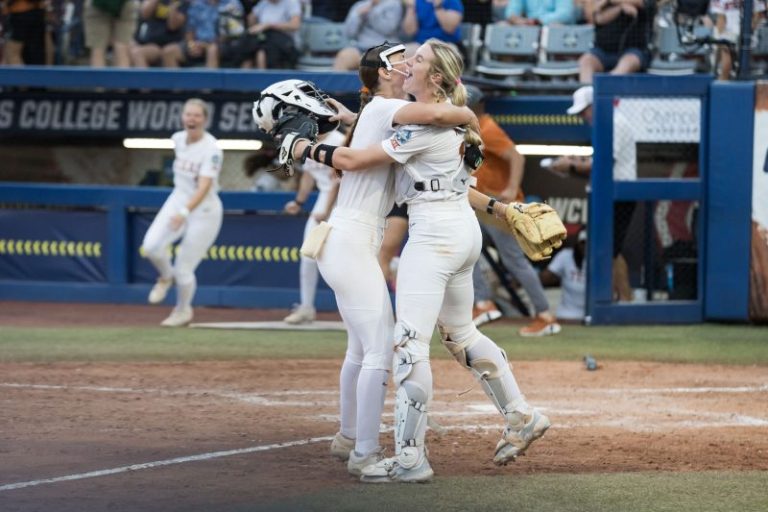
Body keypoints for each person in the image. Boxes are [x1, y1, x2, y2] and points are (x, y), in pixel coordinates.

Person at [280, 38, 550, 483]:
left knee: (407, 347)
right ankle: (521, 414)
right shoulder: (444, 121)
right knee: (461, 333)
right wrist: (501, 210)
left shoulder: (424, 124)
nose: (408, 64)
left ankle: (410, 458)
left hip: (434, 236)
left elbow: (355, 158)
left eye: (418, 60)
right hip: (462, 229)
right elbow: (454, 181)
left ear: (436, 77)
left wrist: (302, 147)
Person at [256, 45, 478, 478]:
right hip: (352, 239)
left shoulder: (377, 111)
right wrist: (469, 115)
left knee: (361, 348)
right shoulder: (387, 106)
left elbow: (374, 136)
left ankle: (347, 438)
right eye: (400, 59)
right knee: (380, 348)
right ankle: (364, 454)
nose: (408, 64)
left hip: (349, 238)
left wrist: (341, 124)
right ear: (383, 71)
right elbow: (436, 116)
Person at [464, 84, 561, 336]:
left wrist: (511, 187)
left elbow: (517, 157)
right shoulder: (473, 128)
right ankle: (484, 303)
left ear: (476, 106)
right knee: (466, 246)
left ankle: (544, 315)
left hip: (499, 204)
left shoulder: (486, 126)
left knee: (514, 261)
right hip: (484, 202)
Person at [142, 98, 223, 327]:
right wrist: (181, 209)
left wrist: (185, 212)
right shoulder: (178, 139)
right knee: (151, 247)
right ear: (182, 117)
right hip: (178, 199)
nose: (192, 119)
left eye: (197, 115)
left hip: (204, 210)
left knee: (184, 268)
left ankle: (182, 310)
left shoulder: (212, 149)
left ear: (205, 120)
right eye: (188, 114)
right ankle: (165, 276)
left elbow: (205, 185)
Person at [550, 85, 634, 301]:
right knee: (610, 251)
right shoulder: (607, 123)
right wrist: (571, 164)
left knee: (611, 252)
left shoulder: (614, 122)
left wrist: (570, 165)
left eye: (584, 110)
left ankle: (624, 302)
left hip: (617, 195)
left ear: (595, 105)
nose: (581, 116)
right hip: (609, 193)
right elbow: (599, 164)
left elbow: (604, 164)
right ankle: (622, 301)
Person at [282, 129, 343, 324]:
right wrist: (299, 202)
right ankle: (306, 307)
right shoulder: (307, 141)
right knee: (308, 254)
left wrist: (327, 209)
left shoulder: (339, 140)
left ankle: (355, 311)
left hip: (345, 202)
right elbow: (308, 175)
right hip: (323, 201)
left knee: (347, 256)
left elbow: (340, 179)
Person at [577, 0, 654, 83]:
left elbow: (643, 3)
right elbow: (597, 17)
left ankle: (608, 86)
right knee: (586, 61)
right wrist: (620, 7)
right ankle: (587, 90)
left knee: (628, 63)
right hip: (602, 50)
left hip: (634, 49)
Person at [333, 0, 403, 70]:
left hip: (385, 49)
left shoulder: (393, 3)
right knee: (344, 56)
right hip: (362, 49)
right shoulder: (359, 5)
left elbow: (388, 29)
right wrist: (359, 16)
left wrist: (372, 11)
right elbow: (349, 33)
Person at [540, 227, 587, 321]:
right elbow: (544, 278)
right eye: (583, 243)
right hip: (566, 315)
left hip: (590, 317)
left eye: (589, 243)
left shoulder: (600, 259)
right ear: (577, 244)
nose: (585, 246)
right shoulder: (566, 255)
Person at [242, 0, 301, 69]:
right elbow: (251, 22)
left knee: (262, 50)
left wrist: (268, 25)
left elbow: (295, 25)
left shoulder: (291, 2)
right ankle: (243, 77)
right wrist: (252, 19)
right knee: (247, 46)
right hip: (264, 38)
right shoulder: (263, 3)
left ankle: (263, 77)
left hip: (285, 42)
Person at [129, 0, 185, 67]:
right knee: (127, 48)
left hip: (170, 43)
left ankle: (145, 78)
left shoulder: (182, 2)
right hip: (151, 43)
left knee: (137, 53)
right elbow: (144, 14)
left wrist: (173, 6)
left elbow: (173, 26)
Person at [83, 0, 138, 67]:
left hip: (97, 4)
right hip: (125, 4)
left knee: (98, 48)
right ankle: (122, 76)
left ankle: (99, 77)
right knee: (121, 47)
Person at [1, 0, 47, 65]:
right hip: (34, 14)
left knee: (12, 52)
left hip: (22, 15)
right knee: (32, 54)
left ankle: (20, 74)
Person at [504, 0, 576, 26]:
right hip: (529, 27)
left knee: (556, 26)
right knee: (502, 26)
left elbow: (565, 13)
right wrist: (516, 20)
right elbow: (511, 12)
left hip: (551, 26)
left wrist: (538, 21)